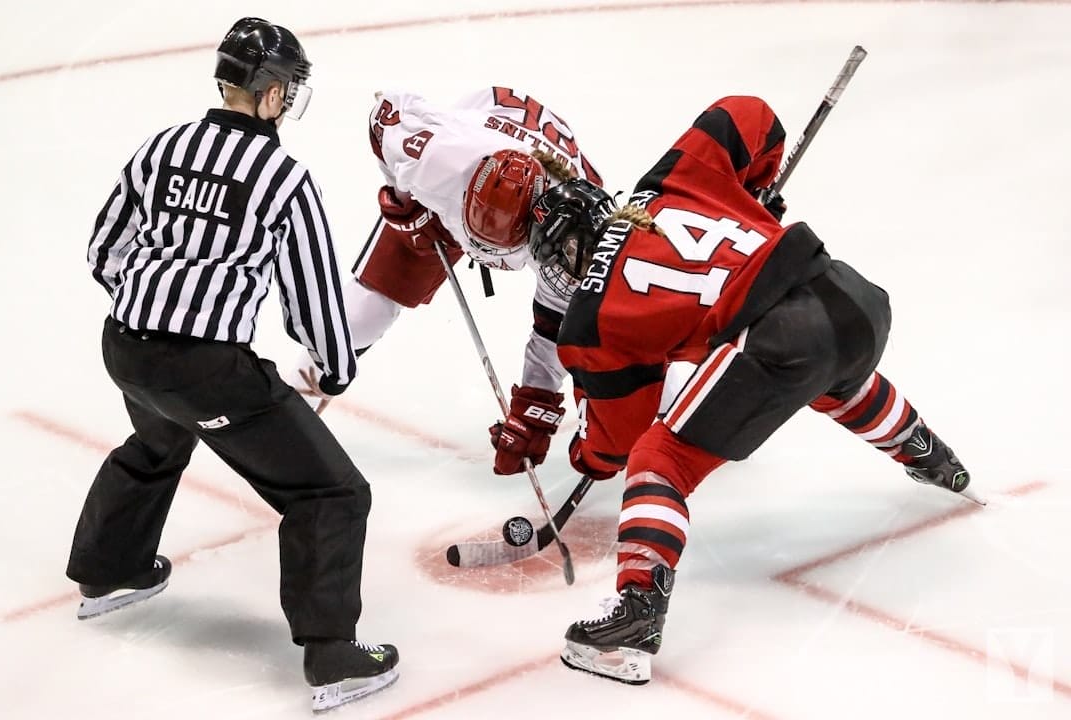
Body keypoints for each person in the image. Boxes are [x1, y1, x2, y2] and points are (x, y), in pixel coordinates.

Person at [525, 95, 972, 684]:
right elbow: (746, 114)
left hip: (782, 336)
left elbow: (617, 441)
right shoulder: (666, 180)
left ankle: (636, 613)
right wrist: (751, 192)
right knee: (831, 376)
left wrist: (586, 455)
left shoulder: (588, 318)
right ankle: (931, 456)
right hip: (853, 298)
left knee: (659, 460)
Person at [68, 17, 397, 711]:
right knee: (331, 492)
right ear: (273, 93)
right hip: (206, 368)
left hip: (124, 346)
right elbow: (311, 298)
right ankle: (334, 656)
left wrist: (151, 309)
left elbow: (104, 250)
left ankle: (111, 569)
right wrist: (336, 369)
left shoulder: (162, 147)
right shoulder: (281, 177)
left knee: (159, 434)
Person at [297, 87, 604, 474]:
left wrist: (533, 406)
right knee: (359, 320)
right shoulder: (439, 158)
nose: (476, 250)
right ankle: (290, 401)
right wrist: (405, 200)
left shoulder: (568, 231)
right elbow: (386, 110)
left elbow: (551, 329)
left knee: (589, 327)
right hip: (447, 201)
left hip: (524, 200)